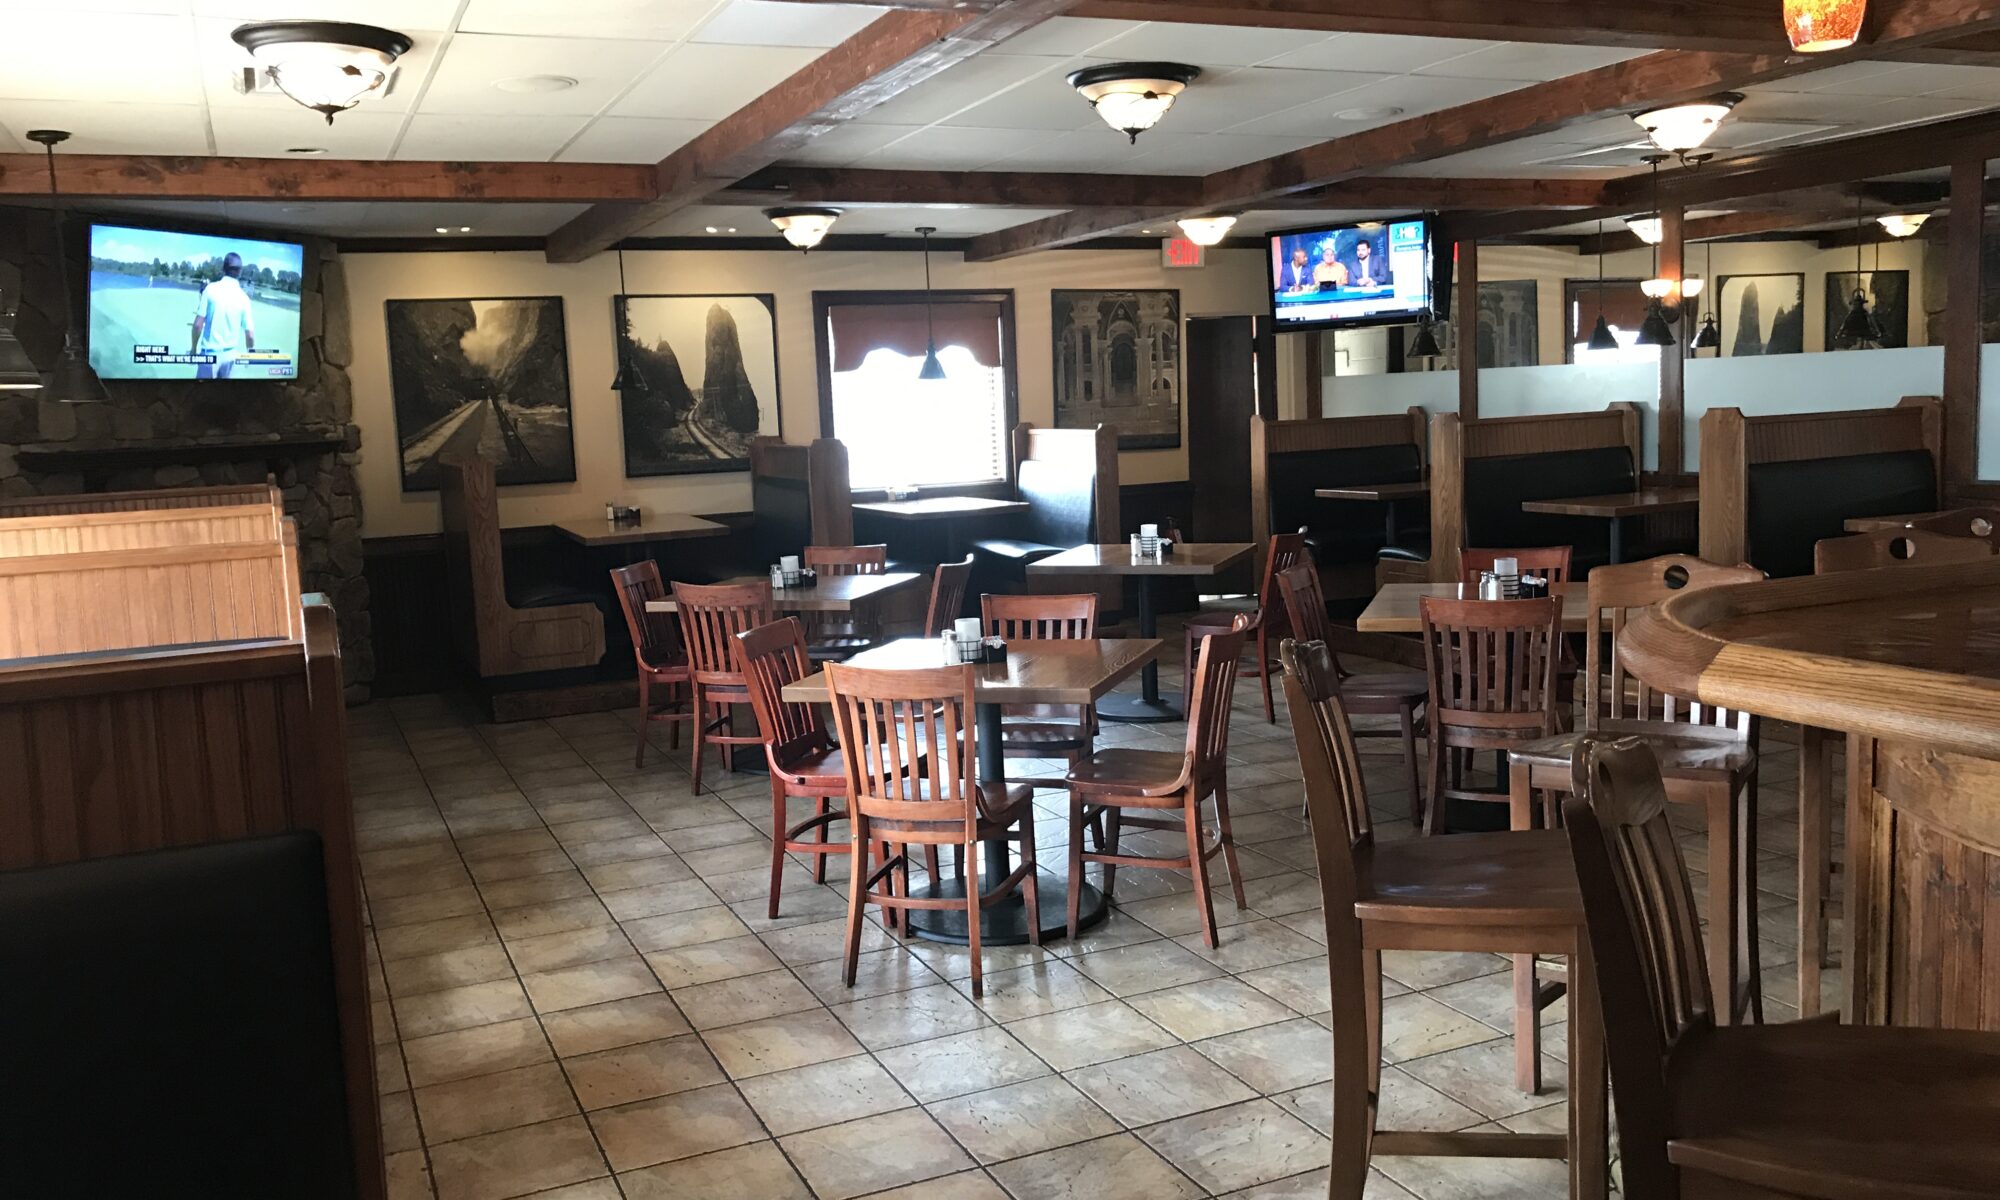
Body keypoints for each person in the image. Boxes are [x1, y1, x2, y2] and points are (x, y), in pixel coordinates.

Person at [191, 252, 255, 380]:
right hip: (230, 356)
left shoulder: (210, 289)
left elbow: (198, 325)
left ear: (223, 269)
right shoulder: (244, 298)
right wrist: (250, 354)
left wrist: (193, 349)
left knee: (201, 396)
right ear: (240, 272)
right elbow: (250, 335)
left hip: (209, 355)